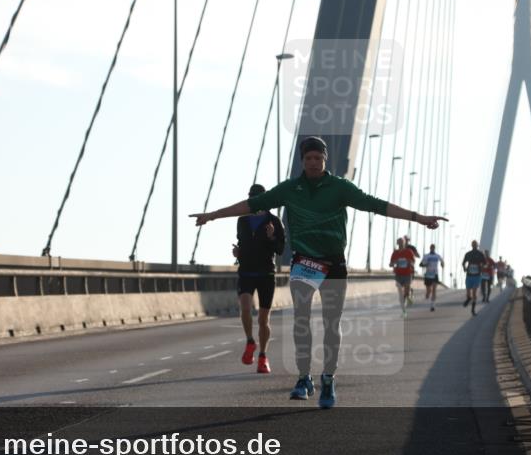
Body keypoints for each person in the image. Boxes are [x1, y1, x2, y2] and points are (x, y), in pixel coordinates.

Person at [191, 136, 446, 409]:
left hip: (333, 264)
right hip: (304, 262)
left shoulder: (340, 187)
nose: (313, 163)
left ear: (325, 160)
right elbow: (251, 205)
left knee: (331, 324)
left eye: (318, 158)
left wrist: (418, 218)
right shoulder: (291, 188)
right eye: (308, 158)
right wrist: (212, 215)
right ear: (302, 161)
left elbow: (376, 205)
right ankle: (303, 378)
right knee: (301, 320)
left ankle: (328, 378)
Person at [233, 183, 286, 373]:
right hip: (246, 271)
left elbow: (280, 249)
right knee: (245, 307)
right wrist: (238, 252)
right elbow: (242, 242)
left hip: (266, 274)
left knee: (263, 320)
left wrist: (272, 237)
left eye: (257, 198)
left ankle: (263, 356)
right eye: (252, 198)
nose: (254, 201)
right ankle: (250, 342)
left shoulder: (275, 221)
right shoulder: (242, 220)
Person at [389, 237, 416, 317]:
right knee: (401, 294)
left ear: (404, 243)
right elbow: (391, 264)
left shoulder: (409, 252)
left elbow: (413, 262)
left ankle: (409, 295)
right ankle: (404, 311)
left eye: (402, 242)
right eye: (399, 242)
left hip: (407, 274)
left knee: (406, 292)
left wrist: (409, 262)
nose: (400, 244)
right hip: (398, 275)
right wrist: (394, 263)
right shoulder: (395, 253)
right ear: (397, 243)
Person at [461, 240, 486, 315]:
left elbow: (485, 263)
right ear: (471, 245)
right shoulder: (468, 254)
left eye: (475, 244)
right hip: (469, 275)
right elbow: (463, 263)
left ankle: (473, 309)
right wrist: (464, 268)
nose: (474, 245)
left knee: (474, 293)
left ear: (477, 245)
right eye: (473, 244)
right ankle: (469, 298)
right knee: (468, 293)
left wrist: (482, 267)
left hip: (477, 276)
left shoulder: (480, 254)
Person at [419, 243, 444, 311]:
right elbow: (420, 264)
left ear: (434, 248)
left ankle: (432, 305)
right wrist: (425, 264)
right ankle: (427, 296)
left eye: (433, 247)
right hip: (428, 274)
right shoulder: (426, 256)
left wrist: (442, 265)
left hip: (435, 274)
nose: (432, 248)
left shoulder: (437, 256)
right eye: (431, 247)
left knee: (434, 290)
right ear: (430, 248)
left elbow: (442, 261)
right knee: (429, 291)